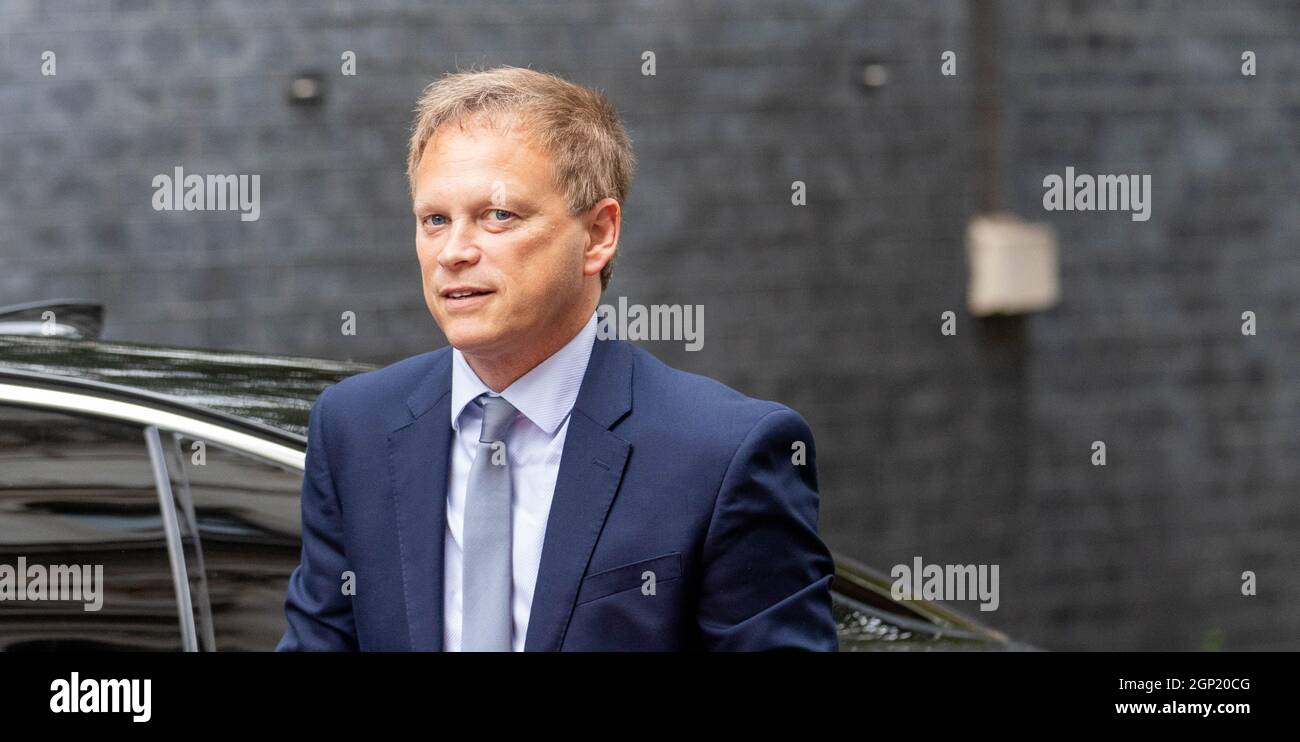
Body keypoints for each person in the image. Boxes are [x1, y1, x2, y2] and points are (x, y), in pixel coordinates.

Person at [277, 66, 837, 651]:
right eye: (434, 220)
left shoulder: (724, 453)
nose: (454, 252)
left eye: (498, 216)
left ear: (598, 235)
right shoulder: (353, 427)